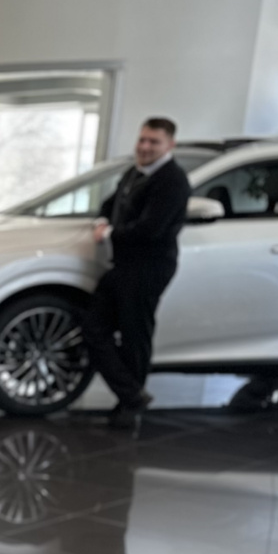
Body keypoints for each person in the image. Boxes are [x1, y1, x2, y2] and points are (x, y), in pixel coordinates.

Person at [85, 117, 192, 430]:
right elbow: (110, 204)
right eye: (142, 140)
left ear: (170, 145)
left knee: (135, 335)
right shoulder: (135, 172)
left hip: (150, 266)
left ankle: (129, 404)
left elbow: (150, 229)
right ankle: (132, 395)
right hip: (124, 264)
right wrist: (101, 221)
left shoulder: (173, 181)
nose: (145, 147)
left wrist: (109, 233)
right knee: (93, 326)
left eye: (153, 142)